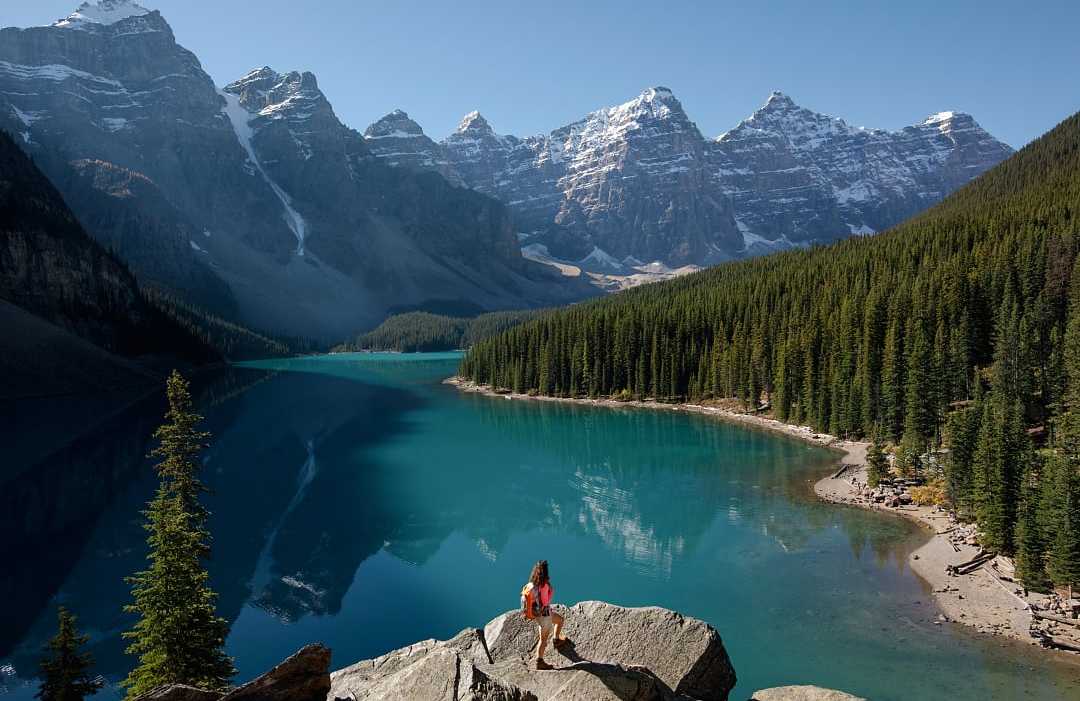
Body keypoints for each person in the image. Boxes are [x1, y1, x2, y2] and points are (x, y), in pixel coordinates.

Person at [522, 559, 568, 670]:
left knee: (560, 620)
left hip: (537, 614)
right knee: (543, 639)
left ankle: (556, 639)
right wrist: (550, 590)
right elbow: (545, 601)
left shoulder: (530, 585)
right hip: (544, 615)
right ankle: (540, 662)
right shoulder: (543, 586)